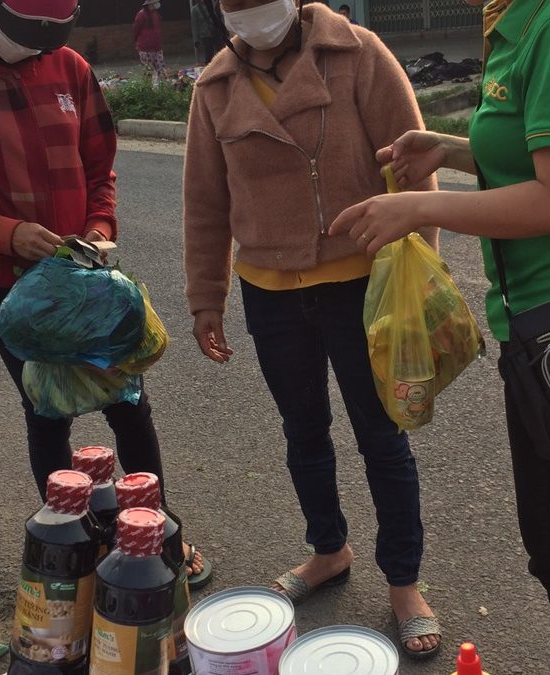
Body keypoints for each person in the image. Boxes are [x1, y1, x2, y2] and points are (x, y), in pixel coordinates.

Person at [330, 0, 550, 671]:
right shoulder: (521, 19)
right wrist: (450, 150)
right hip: (541, 320)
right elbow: (535, 152)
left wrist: (419, 205)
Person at [0, 0, 211, 590]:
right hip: (9, 291)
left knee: (128, 403)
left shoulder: (70, 67)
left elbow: (101, 167)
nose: (40, 43)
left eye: (52, 33)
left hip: (87, 283)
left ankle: (156, 532)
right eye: (29, 31)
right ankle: (79, 548)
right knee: (46, 411)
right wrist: (8, 234)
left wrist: (99, 228)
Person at [183, 0, 442, 659]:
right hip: (269, 291)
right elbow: (206, 201)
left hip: (360, 282)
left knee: (382, 438)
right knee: (304, 433)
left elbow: (414, 170)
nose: (248, 11)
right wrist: (205, 298)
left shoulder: (358, 55)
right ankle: (328, 547)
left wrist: (419, 276)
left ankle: (404, 582)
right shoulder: (214, 87)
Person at [132, 0, 165, 84]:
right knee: (148, 70)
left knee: (160, 68)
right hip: (145, 47)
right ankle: (148, 89)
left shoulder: (155, 14)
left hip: (157, 46)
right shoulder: (141, 15)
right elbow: (136, 29)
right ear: (149, 5)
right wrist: (136, 42)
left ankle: (162, 88)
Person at [191, 0, 221, 65]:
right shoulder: (195, 9)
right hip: (205, 35)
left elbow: (220, 19)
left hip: (217, 33)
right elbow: (194, 25)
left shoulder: (214, 6)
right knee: (208, 55)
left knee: (220, 53)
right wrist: (196, 40)